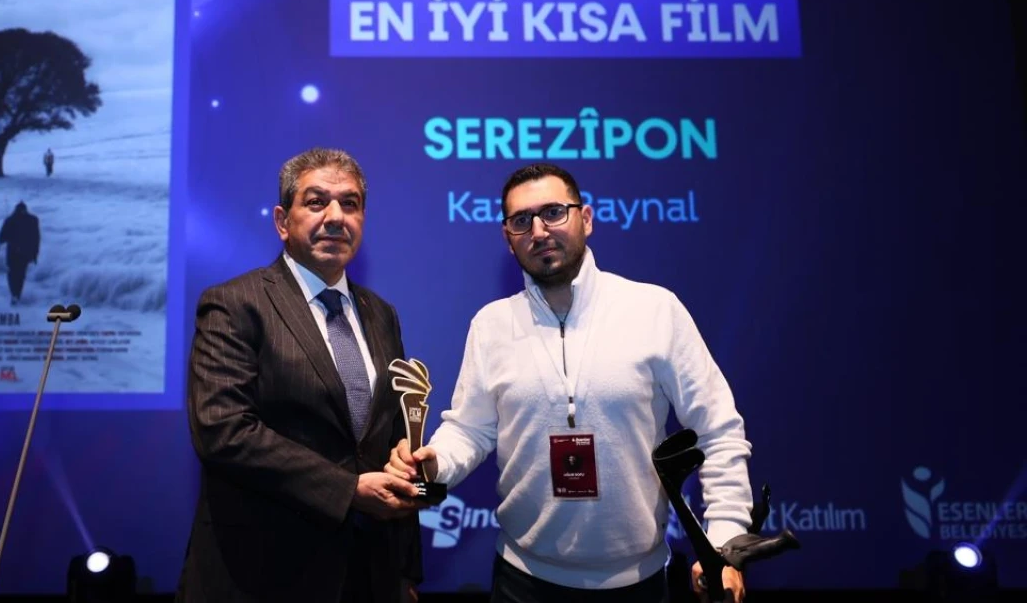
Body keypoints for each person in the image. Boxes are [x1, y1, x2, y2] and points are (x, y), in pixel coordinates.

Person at [386, 163, 754, 603]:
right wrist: (435, 464)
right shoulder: (491, 325)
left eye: (553, 212)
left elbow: (717, 430)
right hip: (522, 581)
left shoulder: (655, 310)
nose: (539, 230)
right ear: (507, 237)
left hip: (638, 583)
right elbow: (470, 429)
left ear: (587, 219)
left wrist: (723, 543)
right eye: (521, 220)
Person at [178, 148, 426, 603]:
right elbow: (222, 431)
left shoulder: (381, 314)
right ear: (282, 221)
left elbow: (390, 436)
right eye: (316, 202)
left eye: (350, 204)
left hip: (368, 575)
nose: (335, 217)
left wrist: (405, 571)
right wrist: (348, 491)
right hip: (262, 575)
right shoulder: (235, 303)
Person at [0, 201, 39, 305]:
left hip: (13, 253)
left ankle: (14, 294)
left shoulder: (10, 220)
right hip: (25, 253)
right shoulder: (33, 220)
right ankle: (17, 294)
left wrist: (4, 238)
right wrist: (34, 254)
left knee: (12, 274)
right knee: (20, 274)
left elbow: (1, 238)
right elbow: (36, 239)